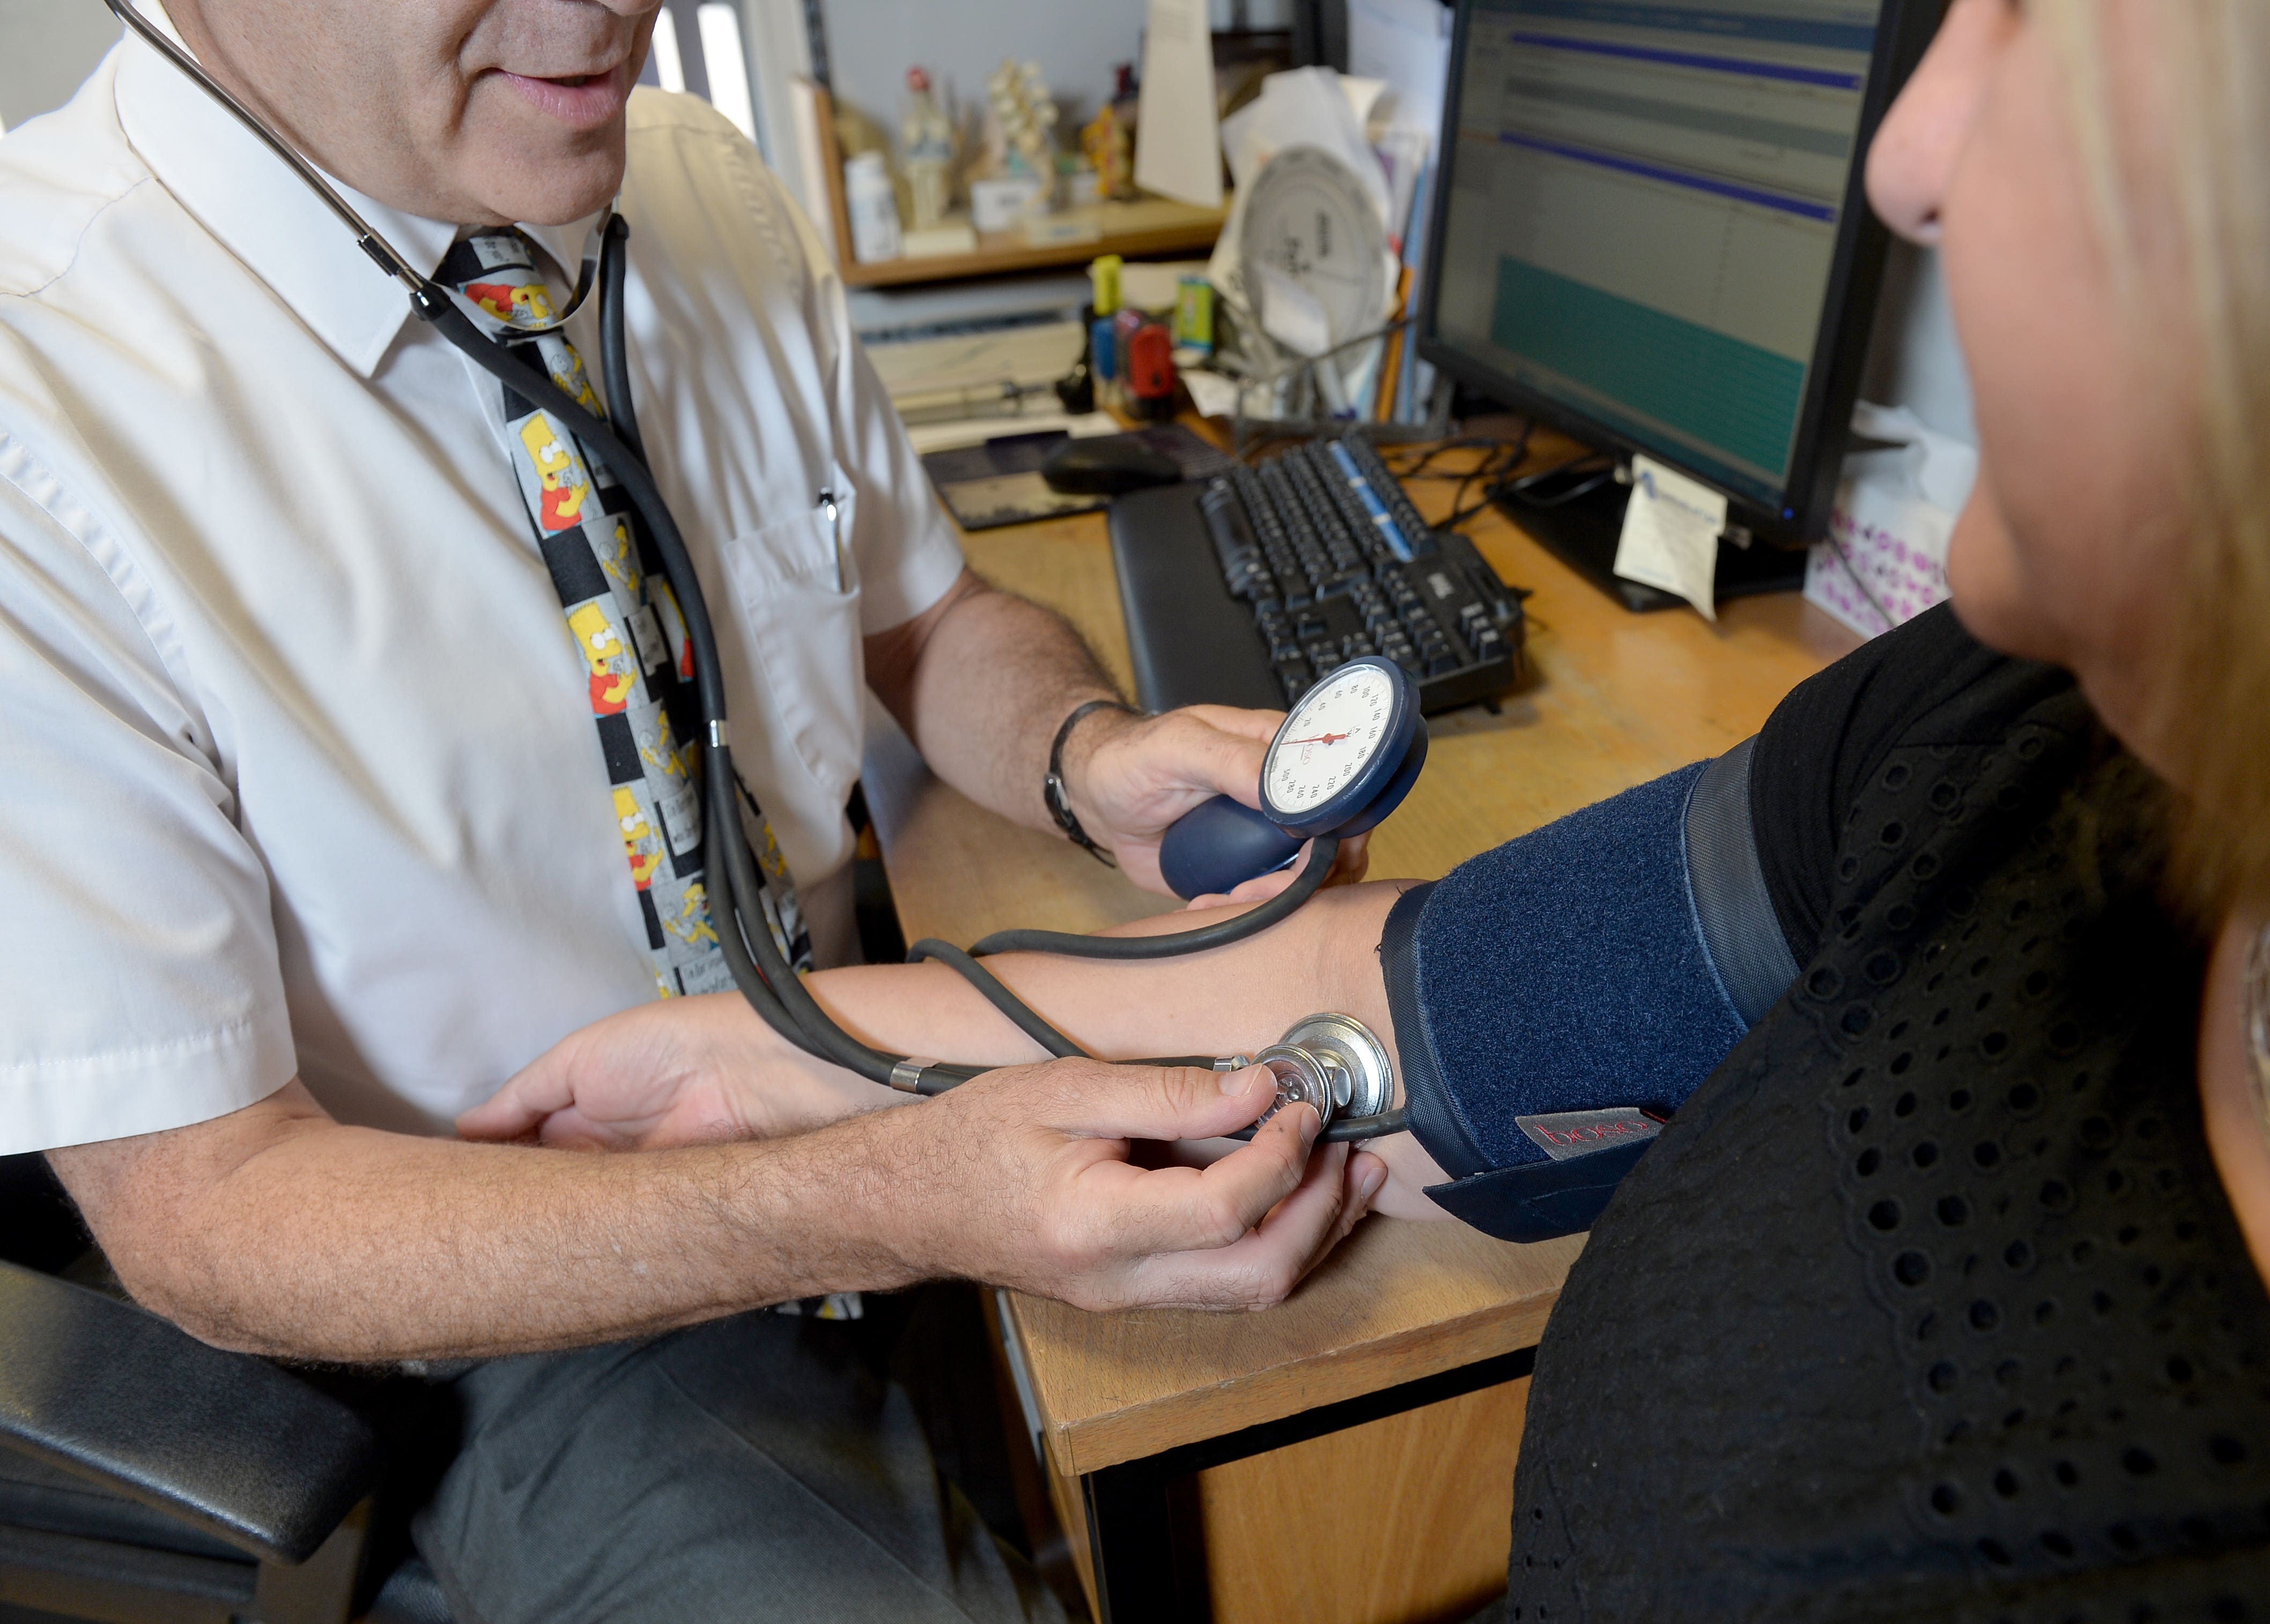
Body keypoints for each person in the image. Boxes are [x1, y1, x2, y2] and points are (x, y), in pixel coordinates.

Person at [479, 0, 2270, 1616]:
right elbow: (1417, 985)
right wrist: (777, 1052)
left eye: (2046, 26)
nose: (1906, 157)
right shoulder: (2000, 729)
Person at [2, 0, 1379, 1617]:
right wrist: (876, 1205)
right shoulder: (37, 396)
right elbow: (205, 1215)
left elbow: (923, 621)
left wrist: (1084, 759)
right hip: (522, 1313)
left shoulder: (693, 179)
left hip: (875, 1093)